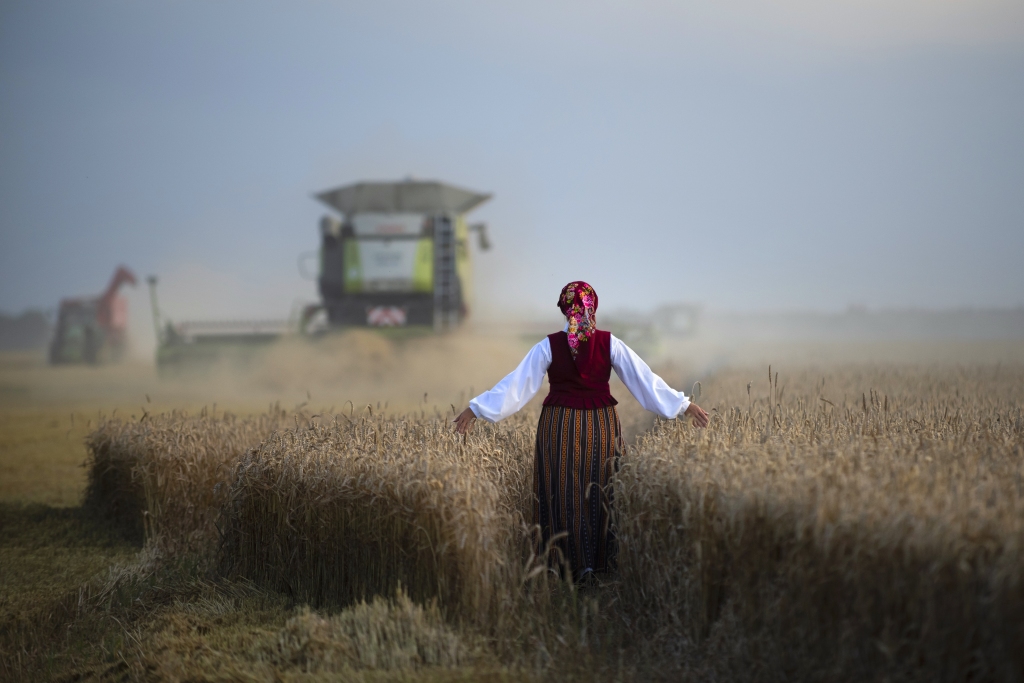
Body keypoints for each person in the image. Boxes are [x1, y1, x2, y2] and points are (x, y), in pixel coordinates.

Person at [453, 281, 708, 581]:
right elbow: (644, 380)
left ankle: (562, 564)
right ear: (593, 307)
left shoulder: (548, 346)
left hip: (558, 425)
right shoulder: (610, 343)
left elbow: (516, 386)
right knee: (601, 489)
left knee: (562, 492)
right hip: (601, 425)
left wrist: (477, 408)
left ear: (564, 309)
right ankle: (598, 565)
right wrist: (682, 405)